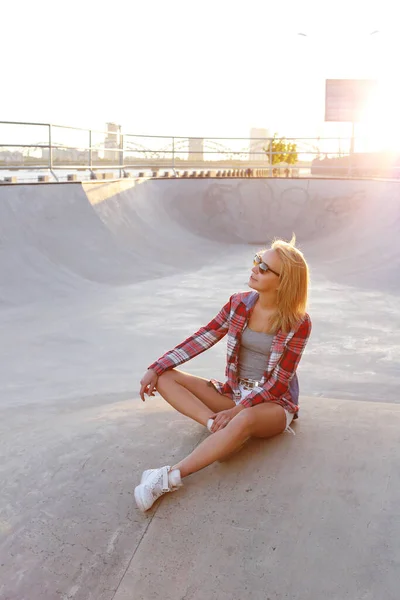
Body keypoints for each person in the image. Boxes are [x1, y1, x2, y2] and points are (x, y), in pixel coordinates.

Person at [135, 237, 311, 512]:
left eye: (264, 267)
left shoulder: (298, 322)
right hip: (233, 392)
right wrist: (155, 367)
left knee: (247, 418)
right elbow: (203, 337)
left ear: (283, 281)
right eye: (257, 260)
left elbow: (279, 383)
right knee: (166, 378)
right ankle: (215, 429)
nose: (255, 268)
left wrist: (238, 410)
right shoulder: (238, 304)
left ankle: (168, 477)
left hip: (272, 405)